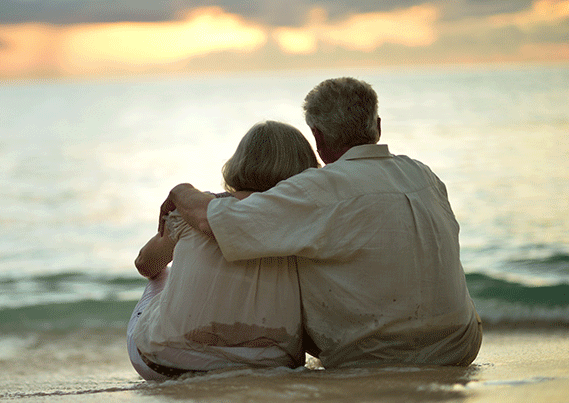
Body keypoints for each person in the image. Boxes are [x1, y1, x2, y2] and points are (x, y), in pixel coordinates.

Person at [159, 77, 482, 369]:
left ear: (317, 135)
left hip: (378, 356)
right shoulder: (423, 174)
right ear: (378, 126)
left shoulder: (318, 189)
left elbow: (211, 220)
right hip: (460, 344)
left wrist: (180, 191)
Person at [128, 120, 319, 380]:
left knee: (161, 274)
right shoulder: (304, 222)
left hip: (167, 362)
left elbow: (145, 264)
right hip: (272, 365)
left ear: (239, 163)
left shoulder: (197, 211)